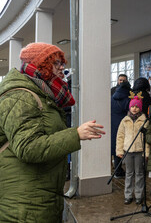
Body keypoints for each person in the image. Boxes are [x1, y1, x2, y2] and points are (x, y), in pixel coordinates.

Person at [0, 42, 105, 222]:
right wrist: (75, 135)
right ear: (40, 65)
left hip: (38, 193)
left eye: (61, 63)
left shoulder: (42, 93)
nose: (62, 67)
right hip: (23, 201)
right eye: (56, 63)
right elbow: (28, 148)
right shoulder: (20, 96)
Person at [116, 92, 148, 205]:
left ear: (140, 108)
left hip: (139, 151)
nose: (134, 109)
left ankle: (139, 195)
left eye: (137, 107)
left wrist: (147, 152)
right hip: (128, 151)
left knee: (139, 173)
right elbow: (120, 136)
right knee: (129, 173)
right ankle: (128, 195)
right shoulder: (125, 120)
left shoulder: (144, 120)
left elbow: (147, 138)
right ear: (130, 107)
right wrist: (119, 150)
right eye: (133, 106)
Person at [111, 79, 131, 178]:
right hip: (123, 125)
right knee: (124, 146)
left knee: (116, 146)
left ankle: (117, 169)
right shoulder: (127, 99)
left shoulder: (113, 97)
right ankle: (120, 170)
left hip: (113, 125)